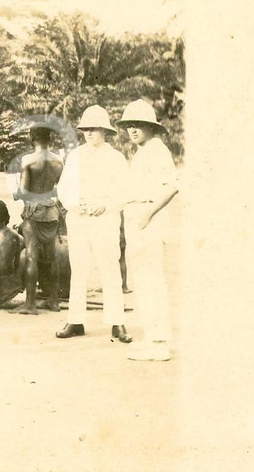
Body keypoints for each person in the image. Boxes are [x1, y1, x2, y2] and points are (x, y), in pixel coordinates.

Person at [55, 105, 131, 343]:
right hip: (79, 218)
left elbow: (125, 191)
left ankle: (117, 323)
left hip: (105, 219)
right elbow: (64, 188)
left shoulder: (116, 158)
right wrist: (75, 204)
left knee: (109, 268)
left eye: (94, 129)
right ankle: (76, 320)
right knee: (78, 269)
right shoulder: (76, 155)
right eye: (86, 129)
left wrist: (105, 206)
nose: (89, 133)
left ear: (105, 131)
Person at [118, 100, 179, 361]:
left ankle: (160, 342)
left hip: (147, 219)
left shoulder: (157, 150)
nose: (132, 130)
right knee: (142, 280)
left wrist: (147, 213)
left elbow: (171, 186)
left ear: (151, 126)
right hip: (136, 218)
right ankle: (151, 337)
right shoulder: (143, 151)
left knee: (152, 280)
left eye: (138, 125)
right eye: (129, 125)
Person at [13, 127, 65, 314]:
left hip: (33, 213)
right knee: (51, 259)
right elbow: (62, 190)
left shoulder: (28, 160)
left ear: (32, 137)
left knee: (31, 256)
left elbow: (24, 192)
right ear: (49, 139)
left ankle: (30, 304)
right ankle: (53, 301)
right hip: (51, 212)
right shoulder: (59, 160)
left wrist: (15, 193)